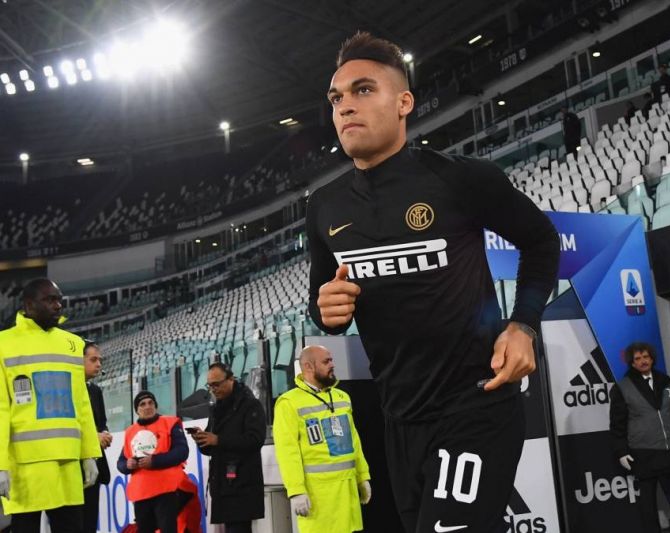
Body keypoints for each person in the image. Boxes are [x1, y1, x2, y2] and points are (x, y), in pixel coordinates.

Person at [307, 32, 560, 532]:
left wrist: (523, 325)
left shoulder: (460, 178)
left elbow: (541, 241)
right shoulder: (324, 206)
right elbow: (323, 305)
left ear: (404, 103)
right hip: (399, 418)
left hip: (475, 404)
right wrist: (326, 310)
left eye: (363, 90)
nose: (345, 106)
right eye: (336, 98)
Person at [0, 278, 100, 533]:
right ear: (29, 305)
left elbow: (81, 403)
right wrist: (0, 465)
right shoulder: (4, 344)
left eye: (59, 300)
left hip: (67, 462)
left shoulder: (73, 344)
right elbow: (1, 409)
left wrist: (89, 454)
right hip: (26, 465)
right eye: (50, 300)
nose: (58, 306)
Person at [272, 345, 370, 533]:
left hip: (348, 492)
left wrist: (362, 476)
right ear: (308, 367)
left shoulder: (342, 397)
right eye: (326, 361)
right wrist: (296, 491)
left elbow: (354, 441)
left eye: (331, 360)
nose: (332, 365)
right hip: (319, 498)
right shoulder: (289, 403)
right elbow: (287, 452)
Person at [609, 342, 670, 533]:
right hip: (643, 453)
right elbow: (617, 425)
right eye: (638, 358)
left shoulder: (665, 381)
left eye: (646, 357)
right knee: (647, 505)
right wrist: (621, 452)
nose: (643, 361)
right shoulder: (622, 388)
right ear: (632, 363)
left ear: (652, 359)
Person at [191, 363, 267, 533]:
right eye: (210, 386)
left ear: (231, 379)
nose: (213, 389)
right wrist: (202, 440)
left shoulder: (250, 405)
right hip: (222, 484)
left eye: (216, 384)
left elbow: (255, 440)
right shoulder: (216, 408)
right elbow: (211, 447)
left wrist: (218, 440)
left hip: (242, 484)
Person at [118, 391, 190, 533]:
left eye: (151, 403)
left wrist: (155, 461)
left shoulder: (170, 423)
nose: (147, 407)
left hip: (166, 489)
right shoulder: (130, 431)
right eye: (142, 404)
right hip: (141, 492)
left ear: (156, 405)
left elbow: (182, 451)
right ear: (137, 410)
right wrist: (128, 465)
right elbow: (121, 462)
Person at [82, 341, 112, 533]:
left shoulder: (95, 390)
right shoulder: (67, 390)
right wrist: (94, 437)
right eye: (93, 360)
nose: (99, 364)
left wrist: (105, 434)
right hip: (74, 467)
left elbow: (102, 423)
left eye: (100, 360)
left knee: (90, 523)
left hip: (96, 462)